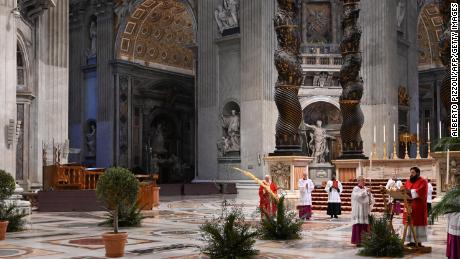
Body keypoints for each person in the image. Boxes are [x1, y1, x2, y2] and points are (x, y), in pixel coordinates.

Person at [403, 166, 428, 247]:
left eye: (413, 172)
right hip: (409, 206)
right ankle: (410, 240)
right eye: (410, 172)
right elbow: (404, 189)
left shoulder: (423, 181)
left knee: (417, 222)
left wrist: (410, 191)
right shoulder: (408, 181)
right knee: (409, 222)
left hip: (418, 206)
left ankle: (418, 241)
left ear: (417, 173)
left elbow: (421, 191)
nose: (411, 174)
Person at [351, 176, 375, 246]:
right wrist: (366, 192)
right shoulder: (355, 188)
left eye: (364, 181)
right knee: (359, 224)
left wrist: (370, 197)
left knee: (365, 224)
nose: (364, 182)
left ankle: (365, 241)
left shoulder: (366, 188)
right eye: (362, 181)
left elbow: (371, 198)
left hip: (365, 209)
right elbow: (357, 197)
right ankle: (358, 241)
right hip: (358, 209)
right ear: (358, 181)